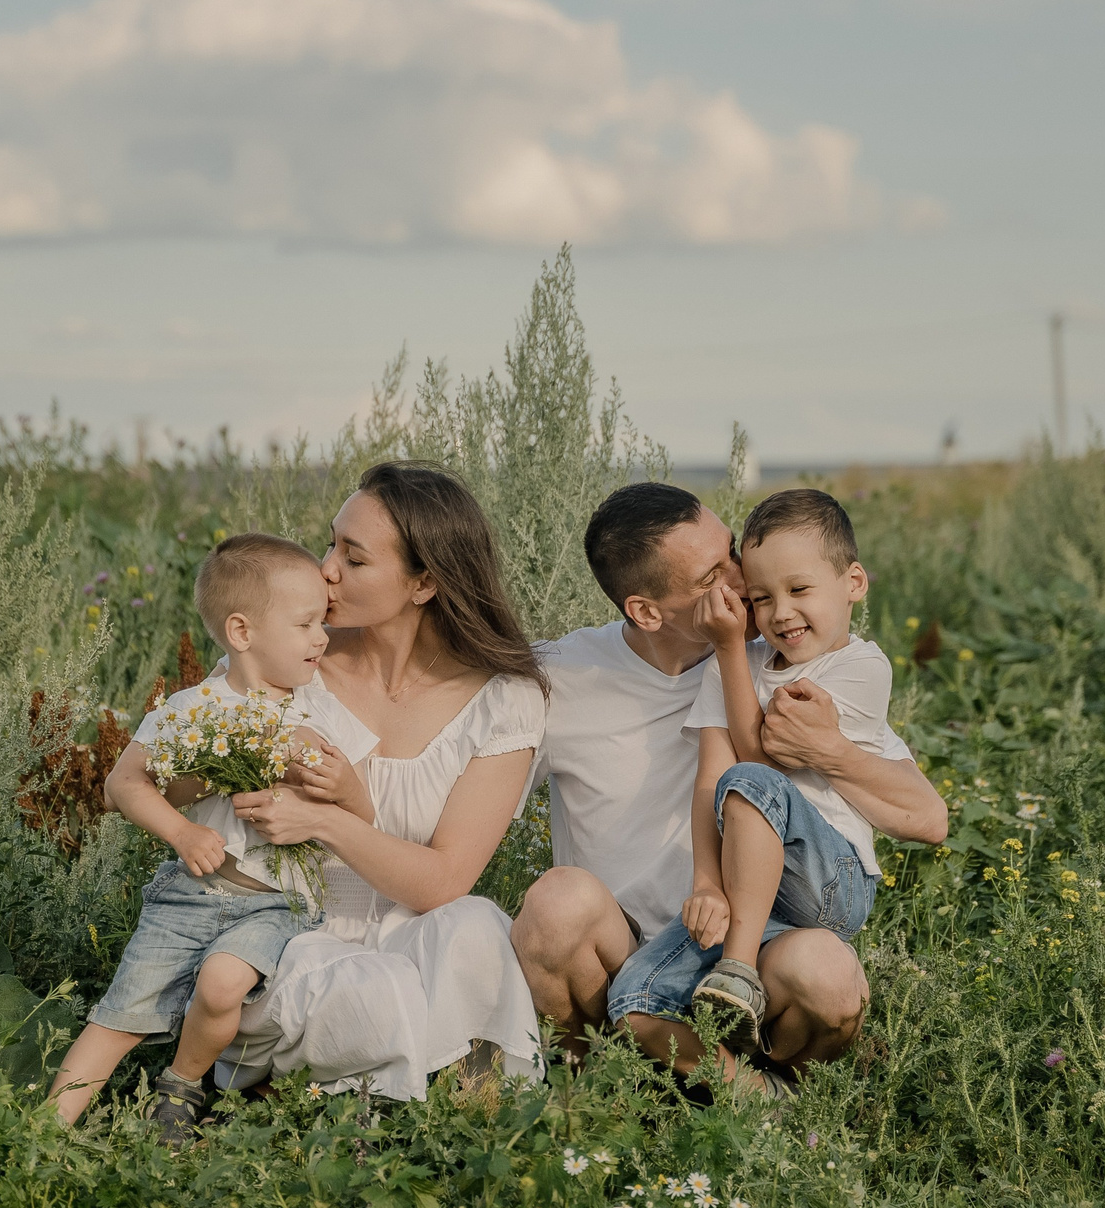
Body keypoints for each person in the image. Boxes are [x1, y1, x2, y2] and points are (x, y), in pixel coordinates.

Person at [511, 482, 945, 1093]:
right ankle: (598, 1091)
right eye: (715, 575)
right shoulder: (562, 678)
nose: (745, 587)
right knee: (556, 907)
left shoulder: (789, 660)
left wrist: (832, 751)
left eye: (733, 553)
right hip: (634, 946)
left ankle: (762, 1080)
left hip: (761, 943)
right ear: (647, 611)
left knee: (827, 974)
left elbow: (926, 815)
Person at [212, 461, 549, 1102]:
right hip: (289, 940)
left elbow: (442, 883)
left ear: (424, 583)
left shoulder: (503, 700)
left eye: (353, 557)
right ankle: (410, 1093)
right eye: (331, 542)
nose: (325, 569)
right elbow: (181, 764)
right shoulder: (288, 664)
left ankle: (453, 1114)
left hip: (410, 936)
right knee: (371, 993)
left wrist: (326, 820)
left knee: (474, 924)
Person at [48, 533, 376, 1139]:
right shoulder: (192, 710)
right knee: (122, 1012)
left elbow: (364, 816)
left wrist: (345, 785)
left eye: (322, 622)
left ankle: (180, 1087)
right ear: (242, 632)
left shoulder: (320, 714)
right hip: (190, 892)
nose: (322, 638)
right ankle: (40, 1132)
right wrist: (181, 832)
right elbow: (123, 784)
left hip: (275, 901)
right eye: (305, 624)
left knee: (223, 980)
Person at [663, 487, 937, 1057]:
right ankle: (751, 1065)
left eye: (800, 589)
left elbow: (766, 767)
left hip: (829, 875)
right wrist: (707, 884)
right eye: (760, 597)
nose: (781, 612)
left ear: (854, 584)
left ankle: (738, 973)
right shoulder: (737, 664)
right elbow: (711, 780)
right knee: (636, 995)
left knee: (755, 786)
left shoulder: (860, 667)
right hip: (759, 887)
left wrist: (731, 653)